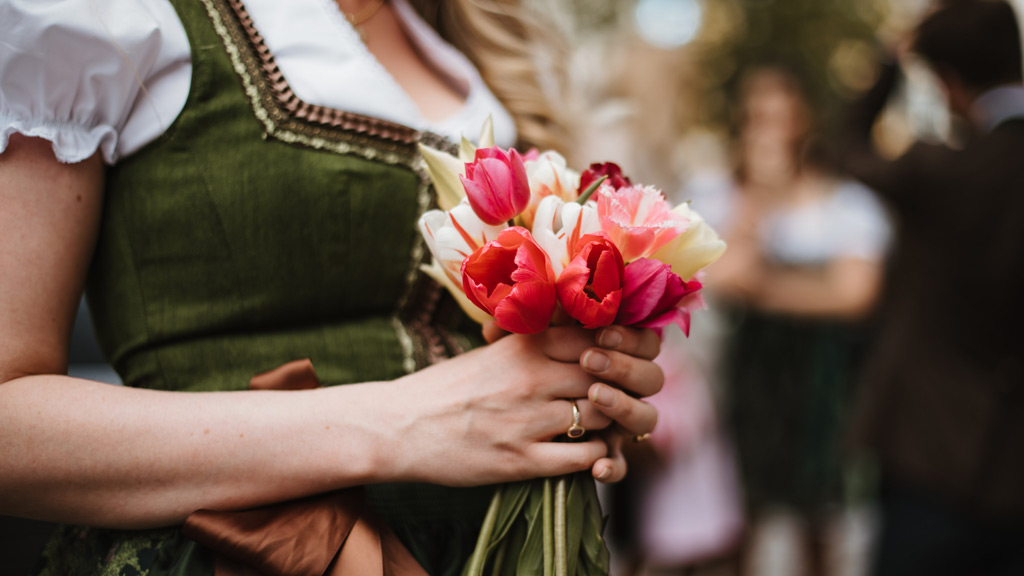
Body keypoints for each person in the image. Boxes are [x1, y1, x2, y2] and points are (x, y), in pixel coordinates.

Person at [0, 1, 664, 574]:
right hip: (235, 557)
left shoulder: (469, 38)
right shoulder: (110, 19)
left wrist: (583, 385)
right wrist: (400, 424)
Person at [837, 1, 1024, 574]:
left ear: (947, 84)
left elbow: (845, 145)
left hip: (929, 456)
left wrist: (890, 62)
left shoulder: (937, 174)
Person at [711, 65, 890, 576]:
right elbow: (724, 278)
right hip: (752, 376)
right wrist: (758, 200)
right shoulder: (729, 199)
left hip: (820, 380)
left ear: (802, 120)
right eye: (756, 118)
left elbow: (855, 297)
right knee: (742, 514)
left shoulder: (845, 201)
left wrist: (766, 290)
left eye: (778, 117)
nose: (766, 131)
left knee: (819, 518)